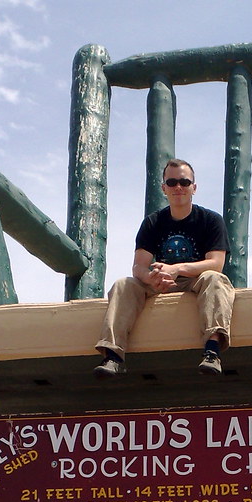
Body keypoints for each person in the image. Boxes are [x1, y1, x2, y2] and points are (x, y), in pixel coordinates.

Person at [94, 159, 234, 378]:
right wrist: (152, 278)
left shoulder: (211, 220)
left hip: (194, 279)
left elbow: (216, 263)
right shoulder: (152, 223)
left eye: (184, 182)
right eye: (172, 182)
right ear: (164, 188)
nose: (178, 187)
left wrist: (177, 269)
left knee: (215, 279)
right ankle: (113, 356)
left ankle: (212, 352)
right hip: (161, 283)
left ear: (193, 188)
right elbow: (139, 266)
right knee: (123, 284)